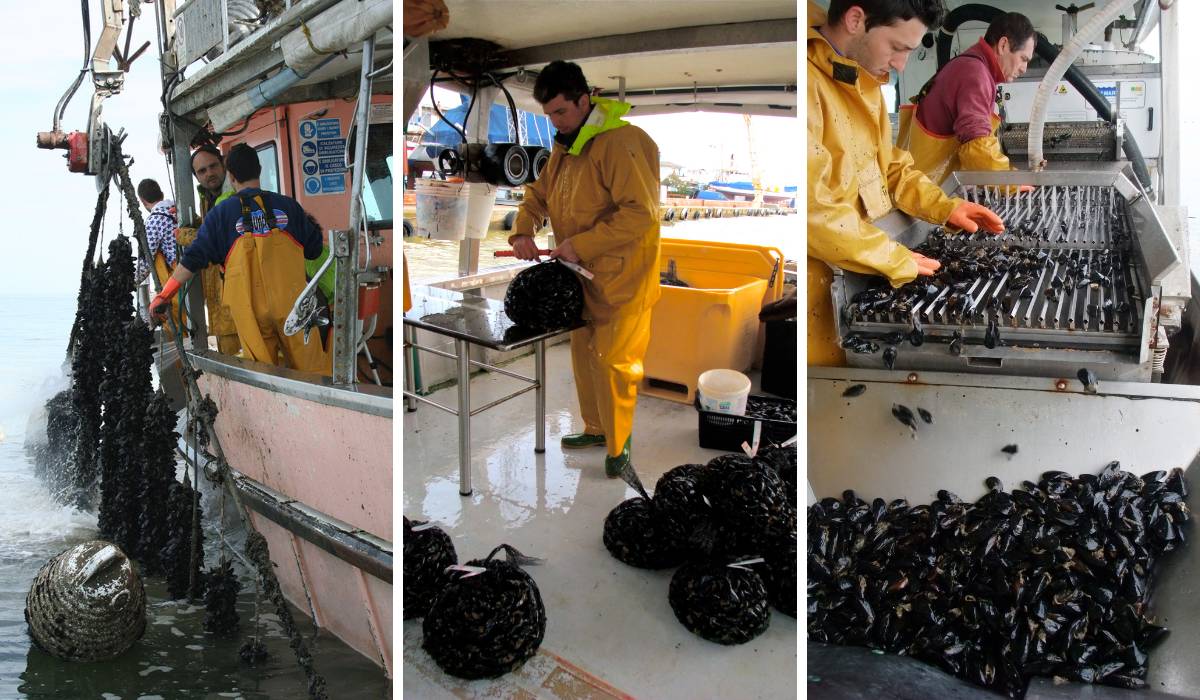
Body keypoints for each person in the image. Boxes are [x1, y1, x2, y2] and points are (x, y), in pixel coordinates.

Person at [807, 0, 1005, 366]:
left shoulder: (861, 80)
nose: (900, 64)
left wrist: (947, 207)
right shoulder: (809, 84)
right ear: (855, 19)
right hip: (823, 289)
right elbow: (813, 209)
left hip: (870, 265)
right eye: (897, 48)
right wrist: (894, 257)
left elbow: (892, 168)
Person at [508, 60, 661, 478]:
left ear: (584, 98)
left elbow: (641, 215)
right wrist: (522, 230)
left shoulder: (622, 143)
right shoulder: (565, 146)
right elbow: (537, 195)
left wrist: (580, 244)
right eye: (549, 115)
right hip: (579, 279)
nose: (556, 122)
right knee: (584, 358)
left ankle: (620, 441)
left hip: (622, 282)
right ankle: (596, 429)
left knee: (615, 363)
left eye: (561, 111)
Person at [150, 144, 330, 374]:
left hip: (250, 314)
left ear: (230, 175)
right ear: (260, 169)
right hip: (294, 309)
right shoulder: (289, 206)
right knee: (313, 374)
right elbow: (314, 250)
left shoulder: (220, 214)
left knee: (264, 377)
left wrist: (164, 295)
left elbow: (192, 260)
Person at [895, 11, 1036, 184]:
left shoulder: (969, 65)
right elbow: (978, 149)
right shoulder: (975, 73)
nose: (1024, 68)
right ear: (1003, 45)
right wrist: (1013, 183)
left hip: (924, 185)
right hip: (924, 190)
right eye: (1023, 58)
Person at [185, 145, 242, 356]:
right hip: (221, 307)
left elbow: (216, 236)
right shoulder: (208, 197)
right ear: (197, 177)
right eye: (202, 171)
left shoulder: (231, 195)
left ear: (223, 164)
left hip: (236, 304)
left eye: (213, 166)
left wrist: (186, 235)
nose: (209, 173)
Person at [135, 178, 184, 330]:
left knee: (177, 325)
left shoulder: (154, 221)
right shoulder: (178, 211)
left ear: (143, 201)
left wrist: (132, 281)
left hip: (177, 279)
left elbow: (146, 260)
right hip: (194, 273)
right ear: (161, 194)